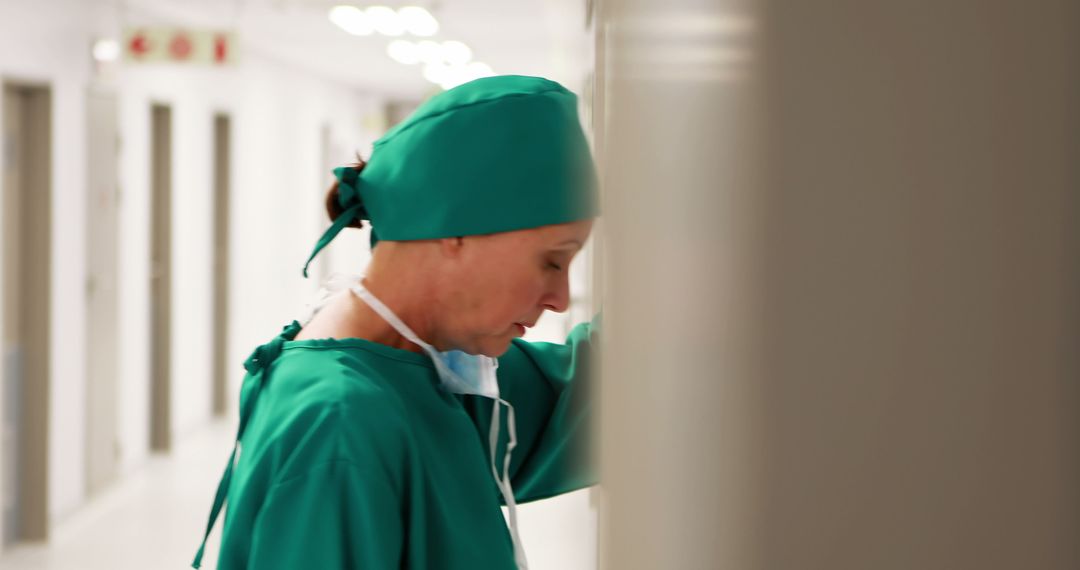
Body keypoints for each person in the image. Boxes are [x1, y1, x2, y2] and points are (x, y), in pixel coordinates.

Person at [192, 75, 599, 570]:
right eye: (553, 261)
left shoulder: (424, 368)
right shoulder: (341, 424)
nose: (559, 299)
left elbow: (599, 394)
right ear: (457, 231)